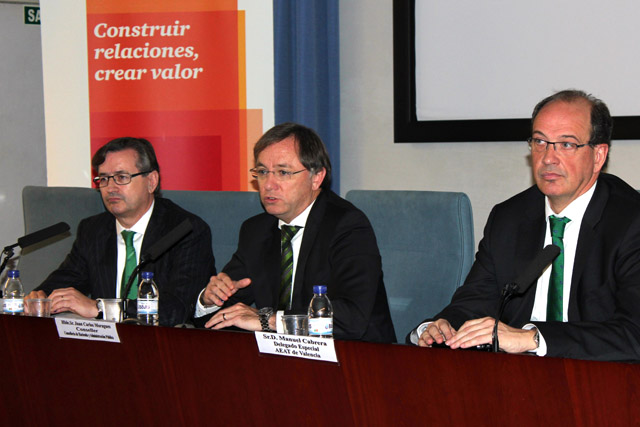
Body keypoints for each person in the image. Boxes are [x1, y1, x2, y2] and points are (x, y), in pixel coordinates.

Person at [410, 89, 640, 362]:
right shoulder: (509, 218)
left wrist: (533, 338)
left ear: (598, 155)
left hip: (601, 378)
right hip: (517, 376)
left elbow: (633, 334)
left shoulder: (631, 222)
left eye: (566, 144)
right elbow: (475, 302)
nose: (548, 157)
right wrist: (442, 327)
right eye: (540, 141)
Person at [194, 122, 396, 342]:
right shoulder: (256, 231)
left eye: (283, 172)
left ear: (316, 177)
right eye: (262, 172)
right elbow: (228, 310)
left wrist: (270, 320)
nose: (269, 184)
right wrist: (209, 300)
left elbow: (351, 317)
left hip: (353, 355)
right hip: (280, 356)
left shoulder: (347, 226)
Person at [25, 137, 215, 326]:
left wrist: (100, 308)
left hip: (162, 340)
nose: (110, 188)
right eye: (103, 179)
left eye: (122, 177)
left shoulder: (185, 231)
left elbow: (177, 308)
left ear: (151, 181)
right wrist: (41, 297)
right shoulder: (93, 230)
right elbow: (66, 280)